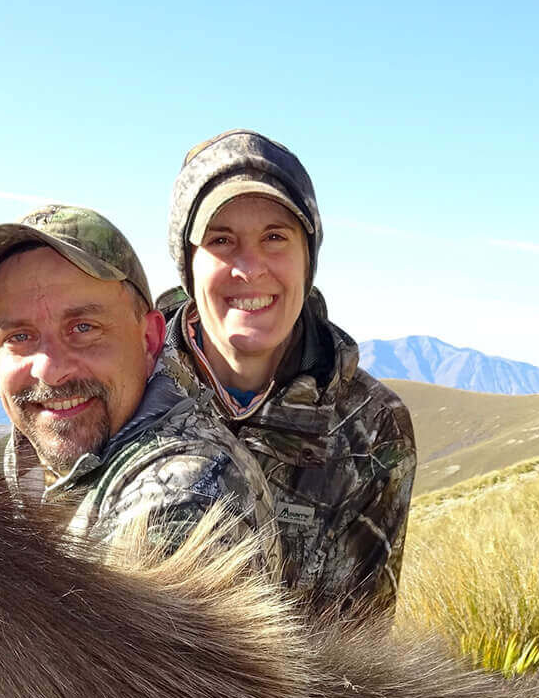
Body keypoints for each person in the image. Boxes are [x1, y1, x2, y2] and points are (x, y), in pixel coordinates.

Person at [159, 130, 416, 623]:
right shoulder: (131, 386)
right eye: (221, 240)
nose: (250, 268)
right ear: (188, 265)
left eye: (275, 237)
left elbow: (360, 647)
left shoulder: (373, 428)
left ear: (308, 258)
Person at [0, 204, 275, 558]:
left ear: (149, 341)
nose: (49, 369)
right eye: (19, 337)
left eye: (83, 328)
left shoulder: (189, 491)